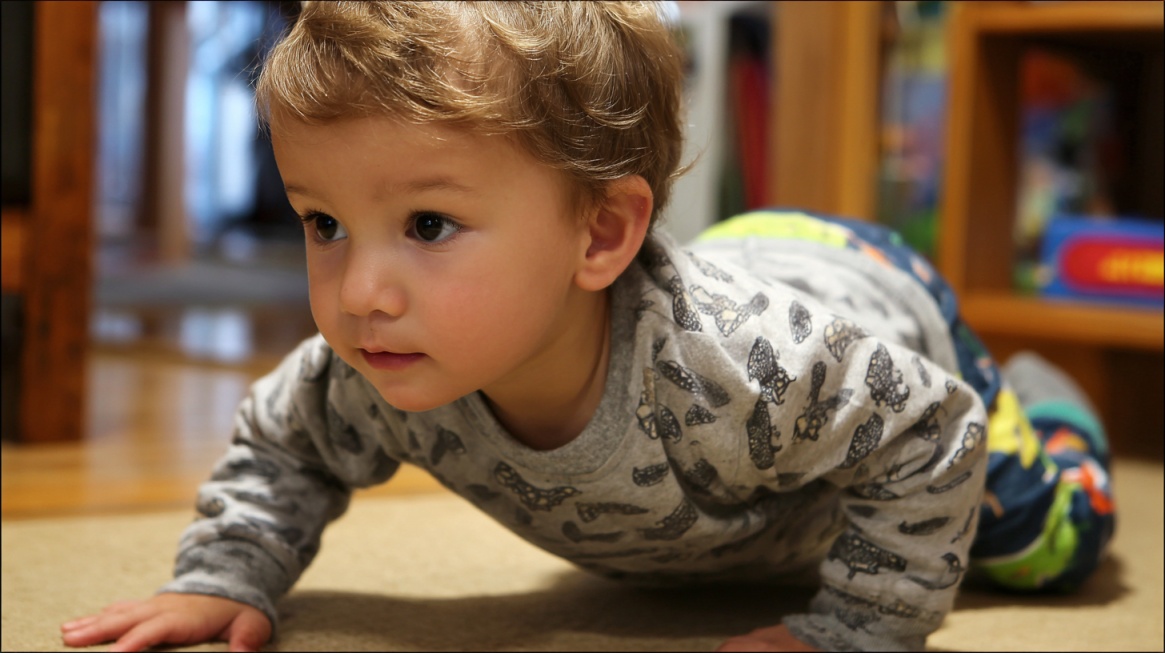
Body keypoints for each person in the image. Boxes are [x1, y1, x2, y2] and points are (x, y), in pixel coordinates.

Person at [60, 3, 1115, 651]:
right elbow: (284, 443)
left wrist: (856, 629)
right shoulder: (369, 371)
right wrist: (222, 574)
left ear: (600, 232)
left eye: (428, 223)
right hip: (746, 271)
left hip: (871, 305)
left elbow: (928, 428)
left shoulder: (741, 364)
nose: (359, 290)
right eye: (324, 221)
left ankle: (1054, 401)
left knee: (1047, 544)